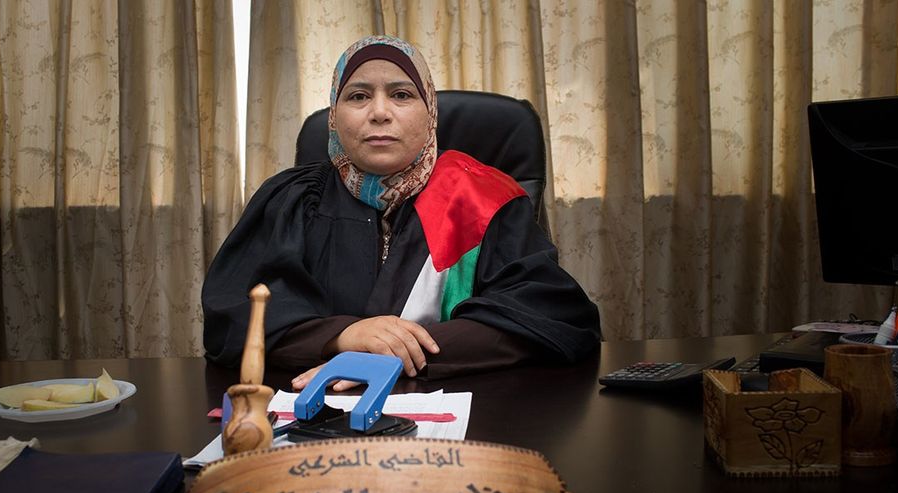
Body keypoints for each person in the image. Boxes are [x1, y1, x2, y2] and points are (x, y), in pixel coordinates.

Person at [202, 35, 601, 390]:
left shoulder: (484, 199)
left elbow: (552, 316)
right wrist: (344, 337)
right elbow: (232, 321)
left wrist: (399, 353)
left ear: (430, 113)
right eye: (358, 96)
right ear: (333, 116)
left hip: (462, 412)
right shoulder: (290, 199)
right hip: (319, 413)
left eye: (402, 95)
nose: (380, 112)